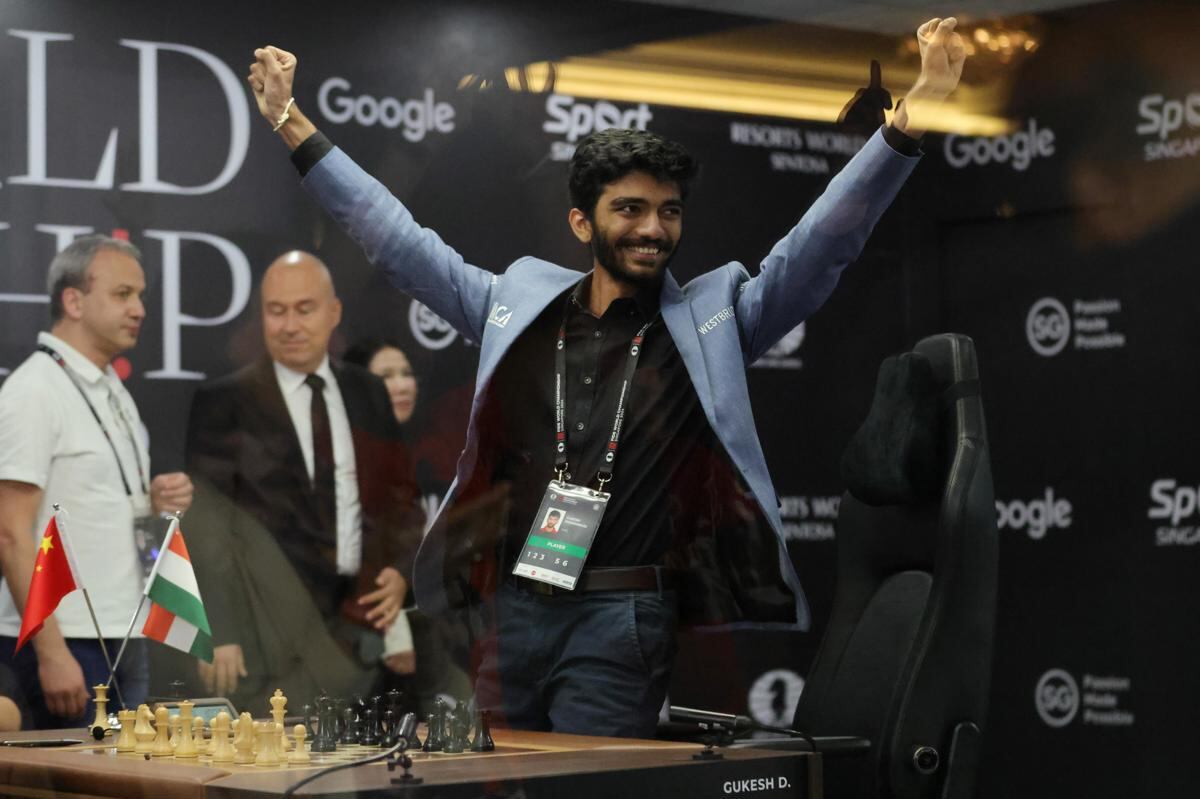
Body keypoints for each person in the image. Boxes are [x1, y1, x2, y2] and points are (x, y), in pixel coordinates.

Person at [246, 16, 966, 737]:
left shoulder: (715, 319)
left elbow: (822, 244)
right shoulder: (514, 305)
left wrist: (913, 116)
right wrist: (289, 122)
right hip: (512, 611)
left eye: (668, 211)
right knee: (502, 782)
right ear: (582, 223)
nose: (652, 228)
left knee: (585, 781)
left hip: (623, 618)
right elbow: (395, 238)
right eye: (630, 208)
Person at [184, 252, 424, 708]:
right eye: (276, 311)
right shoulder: (223, 402)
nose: (290, 325)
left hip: (361, 632)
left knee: (362, 750)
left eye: (304, 309)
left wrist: (400, 572)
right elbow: (208, 529)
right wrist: (222, 632)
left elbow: (402, 499)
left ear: (333, 312)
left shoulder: (369, 393)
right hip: (265, 638)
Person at [0, 235, 194, 728]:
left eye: (141, 295)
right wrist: (51, 652)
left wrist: (151, 499)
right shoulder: (34, 391)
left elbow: (94, 499)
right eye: (123, 294)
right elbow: (9, 532)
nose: (139, 309)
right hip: (66, 641)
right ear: (73, 301)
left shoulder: (112, 389)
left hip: (124, 631)